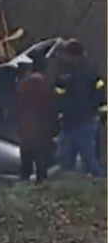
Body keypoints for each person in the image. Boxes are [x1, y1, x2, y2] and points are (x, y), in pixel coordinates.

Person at [55, 40, 105, 177]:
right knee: (66, 159)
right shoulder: (66, 72)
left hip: (85, 121)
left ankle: (98, 181)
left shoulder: (87, 72)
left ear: (74, 56)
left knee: (88, 159)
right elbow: (59, 95)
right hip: (71, 121)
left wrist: (101, 114)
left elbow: (100, 95)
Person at [17, 58, 58, 184]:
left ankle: (23, 185)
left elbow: (17, 105)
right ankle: (40, 184)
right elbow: (51, 106)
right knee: (41, 165)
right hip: (41, 127)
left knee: (25, 166)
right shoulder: (45, 84)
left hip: (25, 125)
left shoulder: (23, 84)